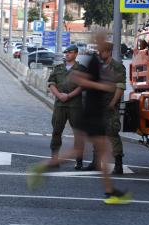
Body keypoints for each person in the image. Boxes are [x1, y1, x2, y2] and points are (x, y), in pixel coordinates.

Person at [27, 29, 131, 204]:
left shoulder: (99, 63)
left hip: (94, 112)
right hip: (92, 113)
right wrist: (103, 86)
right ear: (99, 43)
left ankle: (110, 192)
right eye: (103, 40)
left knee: (100, 154)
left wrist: (105, 84)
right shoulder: (93, 62)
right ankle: (42, 168)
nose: (105, 43)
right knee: (90, 152)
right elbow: (79, 79)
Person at [47, 45, 86, 170]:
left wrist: (68, 96)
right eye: (66, 53)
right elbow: (51, 83)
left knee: (78, 134)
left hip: (75, 106)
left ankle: (79, 161)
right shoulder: (58, 68)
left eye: (70, 52)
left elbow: (82, 86)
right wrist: (59, 95)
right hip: (60, 105)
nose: (67, 54)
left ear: (76, 54)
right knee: (57, 131)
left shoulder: (81, 69)